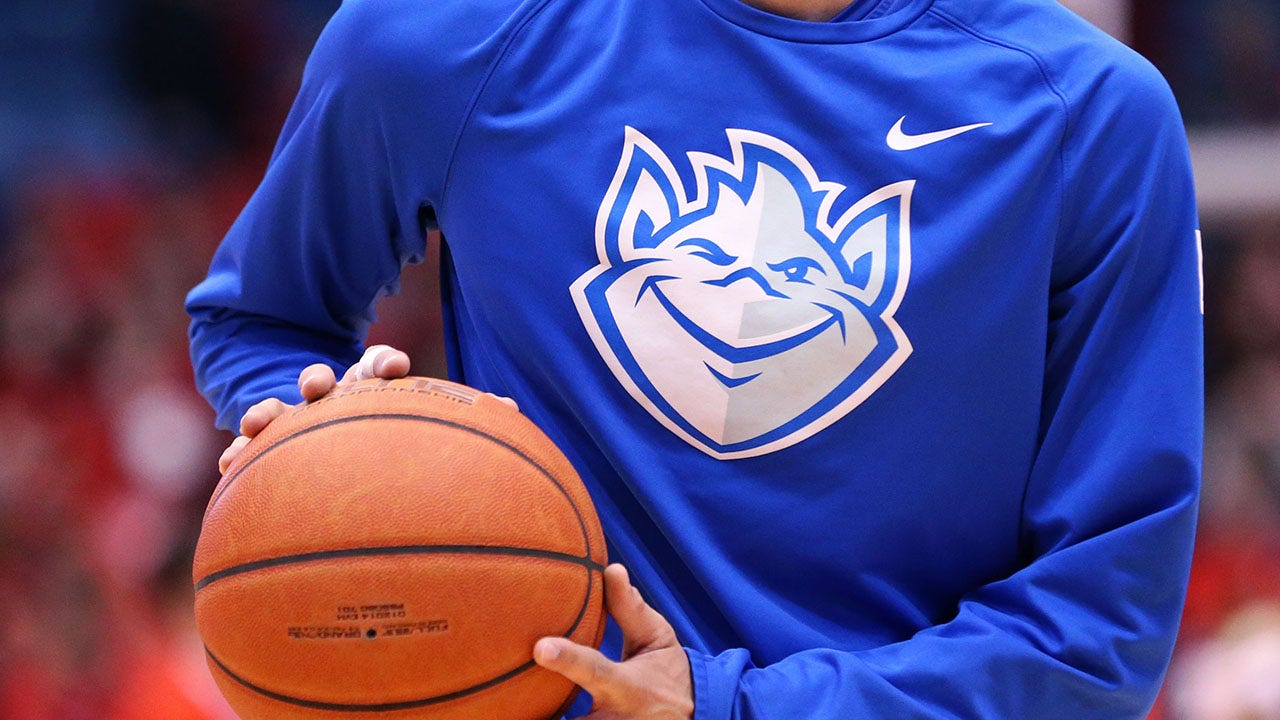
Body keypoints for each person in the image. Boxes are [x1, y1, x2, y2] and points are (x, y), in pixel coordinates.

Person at [186, 0, 1205, 716]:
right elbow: (260, 319)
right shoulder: (446, 36)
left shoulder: (1089, 114)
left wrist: (729, 708)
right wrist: (314, 429)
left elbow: (1098, 627)